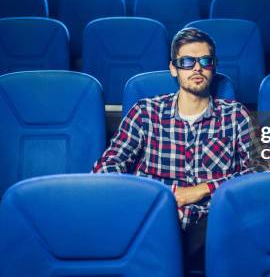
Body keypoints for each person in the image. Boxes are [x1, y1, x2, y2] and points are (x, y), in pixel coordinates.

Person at [93, 27, 257, 270]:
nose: (197, 68)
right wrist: (160, 197)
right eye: (187, 61)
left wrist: (202, 189)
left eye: (205, 61)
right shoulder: (146, 112)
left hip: (213, 222)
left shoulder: (234, 115)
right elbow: (106, 168)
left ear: (214, 66)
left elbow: (264, 170)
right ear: (174, 68)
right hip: (150, 219)